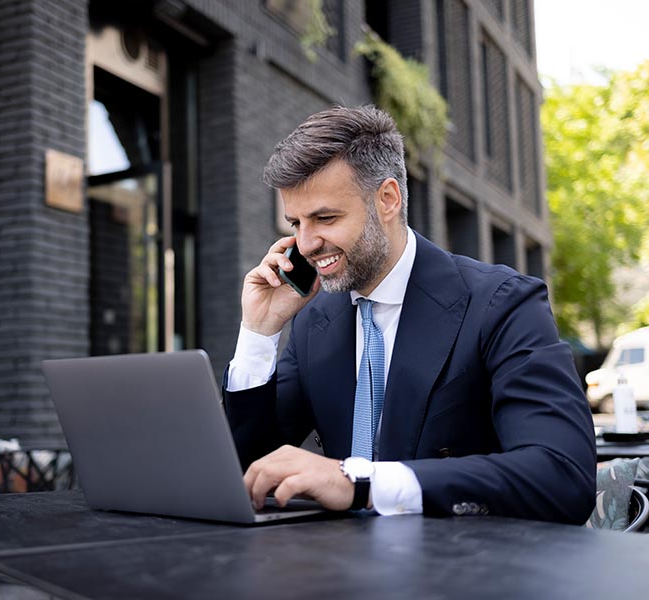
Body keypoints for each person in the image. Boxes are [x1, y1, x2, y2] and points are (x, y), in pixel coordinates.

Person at [223, 105, 596, 524]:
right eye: (295, 223)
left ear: (387, 199)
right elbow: (253, 472)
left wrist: (362, 484)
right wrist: (259, 331)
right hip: (336, 571)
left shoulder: (502, 303)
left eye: (325, 218)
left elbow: (561, 477)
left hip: (464, 570)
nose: (306, 244)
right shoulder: (315, 319)